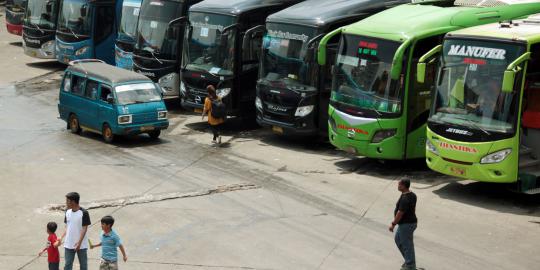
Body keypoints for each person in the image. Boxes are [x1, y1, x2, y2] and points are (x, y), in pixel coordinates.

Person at [389, 179, 418, 270]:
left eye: (399, 184)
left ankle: (410, 265)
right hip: (408, 223)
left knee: (407, 244)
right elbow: (413, 209)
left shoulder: (405, 199)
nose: (398, 186)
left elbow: (400, 213)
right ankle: (409, 260)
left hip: (407, 225)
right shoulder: (412, 195)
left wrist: (393, 224)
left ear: (403, 186)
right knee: (398, 240)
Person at [59, 192, 91, 270]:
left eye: (67, 201)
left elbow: (84, 228)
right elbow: (67, 226)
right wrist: (61, 238)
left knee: (83, 265)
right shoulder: (67, 211)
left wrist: (79, 243)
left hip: (81, 245)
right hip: (69, 243)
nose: (66, 203)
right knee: (67, 265)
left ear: (73, 202)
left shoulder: (84, 213)